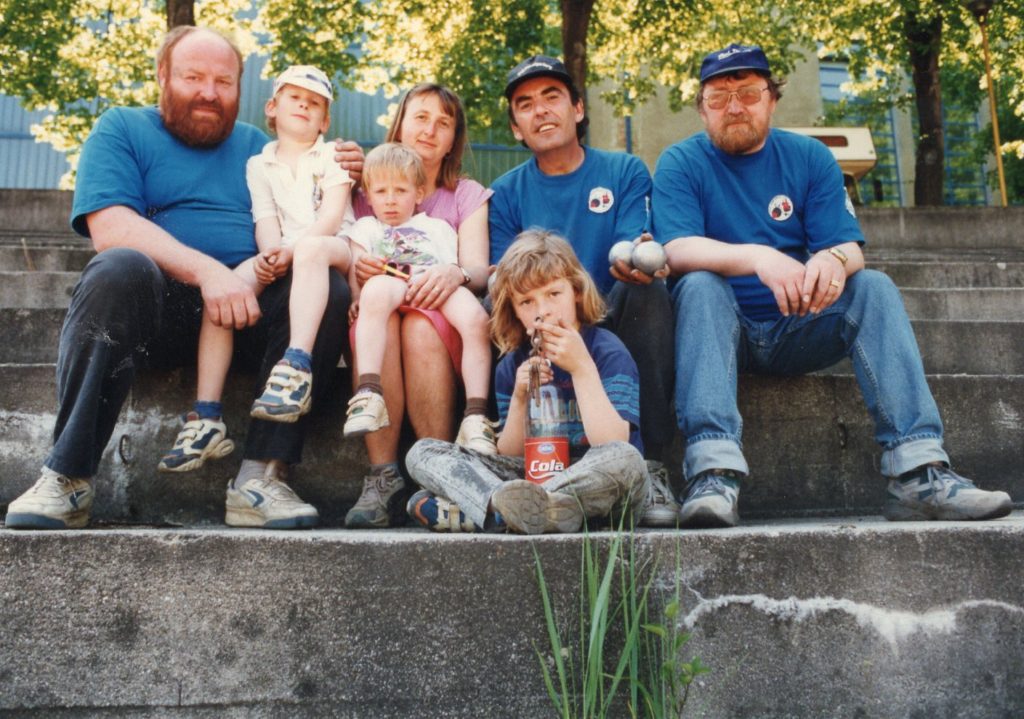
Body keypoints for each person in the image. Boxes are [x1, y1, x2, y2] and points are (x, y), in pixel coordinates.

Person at [3, 27, 363, 530]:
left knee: (327, 287)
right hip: (154, 313)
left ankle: (262, 477)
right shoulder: (122, 128)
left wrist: (352, 166)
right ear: (163, 77)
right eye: (193, 77)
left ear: (241, 89)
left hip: (247, 313)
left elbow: (328, 207)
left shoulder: (263, 148)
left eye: (224, 81)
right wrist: (210, 273)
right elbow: (110, 226)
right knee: (116, 268)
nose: (209, 93)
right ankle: (67, 476)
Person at [652, 43, 1013, 528]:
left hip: (799, 323)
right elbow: (674, 250)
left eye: (749, 93)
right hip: (718, 334)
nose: (734, 107)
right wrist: (760, 257)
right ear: (702, 109)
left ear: (772, 99)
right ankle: (711, 474)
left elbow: (850, 248)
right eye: (718, 97)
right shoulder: (681, 161)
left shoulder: (809, 157)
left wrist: (832, 258)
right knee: (697, 285)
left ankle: (917, 472)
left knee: (873, 287)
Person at [488, 55, 678, 527]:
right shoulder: (505, 191)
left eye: (552, 97)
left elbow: (632, 246)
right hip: (535, 321)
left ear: (577, 109)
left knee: (651, 293)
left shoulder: (623, 170)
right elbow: (506, 278)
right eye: (525, 104)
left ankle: (651, 463)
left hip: (608, 309)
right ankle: (498, 485)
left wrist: (635, 258)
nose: (540, 110)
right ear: (515, 128)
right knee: (483, 305)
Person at [158, 64, 353, 473]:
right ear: (271, 108)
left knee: (313, 250)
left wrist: (294, 251)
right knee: (227, 289)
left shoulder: (332, 155)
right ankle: (206, 415)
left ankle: (296, 365)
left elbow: (332, 216)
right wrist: (270, 255)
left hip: (334, 246)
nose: (304, 105)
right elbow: (265, 217)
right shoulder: (259, 164)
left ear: (325, 121)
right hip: (285, 249)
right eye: (294, 97)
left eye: (314, 103)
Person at [404, 230, 648, 534]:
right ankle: (517, 506)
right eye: (527, 302)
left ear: (576, 291)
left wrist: (582, 368)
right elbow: (511, 455)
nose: (542, 311)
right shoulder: (512, 366)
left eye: (553, 294)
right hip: (531, 475)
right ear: (513, 311)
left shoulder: (606, 352)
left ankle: (498, 513)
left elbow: (613, 442)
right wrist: (520, 399)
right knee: (423, 452)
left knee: (627, 459)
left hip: (595, 481)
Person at [342, 84, 492, 529]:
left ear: (453, 139)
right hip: (381, 309)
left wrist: (455, 273)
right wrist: (359, 273)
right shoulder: (366, 184)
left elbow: (478, 269)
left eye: (443, 123)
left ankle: (438, 474)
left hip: (437, 310)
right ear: (401, 123)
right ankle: (383, 475)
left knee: (420, 326)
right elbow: (347, 247)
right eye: (421, 118)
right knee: (382, 315)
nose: (430, 130)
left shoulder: (464, 193)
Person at [343, 143, 495, 458]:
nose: (390, 199)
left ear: (419, 193)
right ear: (367, 197)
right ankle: (368, 392)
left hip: (429, 288)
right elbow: (357, 267)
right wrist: (357, 295)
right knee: (374, 291)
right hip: (390, 284)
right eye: (381, 191)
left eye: (400, 190)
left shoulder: (437, 227)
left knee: (476, 319)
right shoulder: (366, 228)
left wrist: (450, 277)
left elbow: (449, 267)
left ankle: (476, 415)